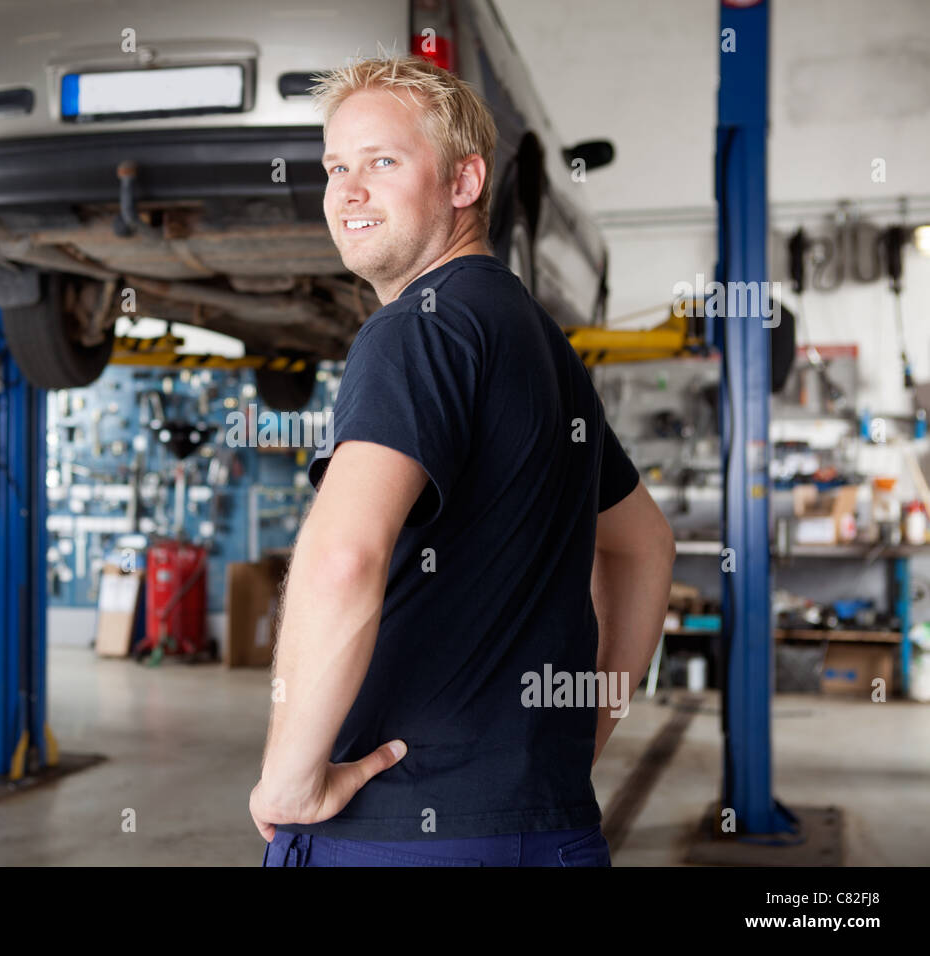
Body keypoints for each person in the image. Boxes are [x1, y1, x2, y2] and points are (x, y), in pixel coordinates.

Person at [249, 55, 675, 867]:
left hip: (399, 833)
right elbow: (645, 544)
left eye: (383, 162)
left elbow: (343, 558)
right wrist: (581, 732)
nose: (347, 191)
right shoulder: (537, 340)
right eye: (336, 166)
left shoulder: (415, 330)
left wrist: (291, 778)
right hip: (548, 829)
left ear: (464, 181)